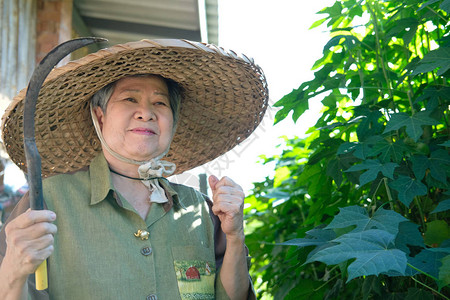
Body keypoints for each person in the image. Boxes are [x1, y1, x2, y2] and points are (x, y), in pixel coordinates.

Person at [0, 39, 268, 299]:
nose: (146, 113)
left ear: (173, 123)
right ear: (100, 116)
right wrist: (14, 268)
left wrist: (234, 236)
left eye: (160, 103)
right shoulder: (48, 202)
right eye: (129, 99)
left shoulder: (200, 209)